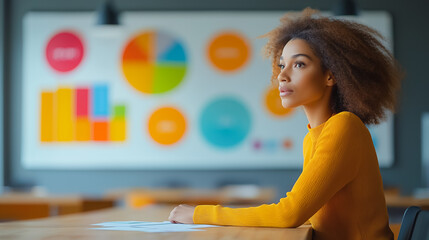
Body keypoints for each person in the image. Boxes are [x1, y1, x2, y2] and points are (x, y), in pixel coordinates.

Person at [168, 7, 402, 240]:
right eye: (282, 65)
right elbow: (305, 215)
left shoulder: (344, 127)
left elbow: (289, 213)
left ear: (331, 75)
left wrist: (198, 214)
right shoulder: (314, 136)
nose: (282, 75)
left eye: (299, 64)